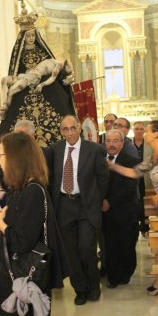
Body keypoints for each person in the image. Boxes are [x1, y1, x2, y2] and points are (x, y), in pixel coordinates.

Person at [0, 132, 69, 316]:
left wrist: (1, 224)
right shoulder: (19, 192)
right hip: (10, 285)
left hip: (28, 287)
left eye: (2, 155)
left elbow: (22, 241)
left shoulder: (34, 192)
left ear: (15, 158)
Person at [109, 120, 158, 294]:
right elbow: (134, 172)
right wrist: (113, 166)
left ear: (156, 134)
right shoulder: (154, 155)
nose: (144, 134)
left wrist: (157, 197)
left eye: (147, 131)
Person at [49, 115, 109, 305]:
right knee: (71, 252)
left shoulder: (94, 150)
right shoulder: (55, 150)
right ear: (61, 131)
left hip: (86, 206)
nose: (69, 133)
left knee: (86, 248)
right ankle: (80, 289)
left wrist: (98, 199)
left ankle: (93, 285)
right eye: (65, 129)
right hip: (64, 206)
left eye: (72, 128)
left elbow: (103, 178)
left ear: (79, 129)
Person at [0, 20, 76, 146]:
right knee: (8, 85)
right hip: (25, 81)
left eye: (33, 35)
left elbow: (53, 76)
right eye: (28, 36)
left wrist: (45, 83)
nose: (31, 38)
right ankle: (5, 106)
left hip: (44, 88)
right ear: (23, 37)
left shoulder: (45, 55)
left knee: (57, 95)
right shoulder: (20, 55)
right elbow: (16, 71)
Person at [102, 130, 141, 288]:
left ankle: (126, 273)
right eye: (109, 141)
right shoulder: (99, 160)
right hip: (106, 213)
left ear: (122, 143)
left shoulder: (132, 161)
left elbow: (129, 188)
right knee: (110, 246)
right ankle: (113, 277)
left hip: (126, 212)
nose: (111, 144)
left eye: (115, 141)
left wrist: (109, 201)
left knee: (126, 246)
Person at [0, 58, 74, 121]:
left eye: (69, 67)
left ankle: (3, 112)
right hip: (28, 74)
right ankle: (4, 107)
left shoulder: (59, 65)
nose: (70, 64)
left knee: (11, 90)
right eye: (70, 66)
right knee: (4, 80)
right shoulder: (56, 61)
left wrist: (41, 85)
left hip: (33, 77)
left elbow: (52, 79)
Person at [133, 121, 151, 236]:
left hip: (146, 178)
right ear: (133, 131)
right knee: (135, 202)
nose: (139, 131)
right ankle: (135, 225)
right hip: (133, 178)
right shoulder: (128, 144)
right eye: (137, 129)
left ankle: (145, 226)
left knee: (146, 201)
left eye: (141, 129)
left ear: (144, 131)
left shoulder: (149, 145)